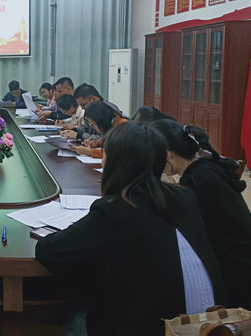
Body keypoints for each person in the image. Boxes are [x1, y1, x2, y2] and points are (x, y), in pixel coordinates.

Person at [35, 121, 226, 335]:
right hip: (212, 322)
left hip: (161, 328)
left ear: (114, 162)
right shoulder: (185, 196)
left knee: (71, 312)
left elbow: (49, 251)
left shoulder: (115, 209)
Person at [150, 119, 251, 311]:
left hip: (232, 276)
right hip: (245, 266)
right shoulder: (206, 168)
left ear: (168, 155)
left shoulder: (196, 181)